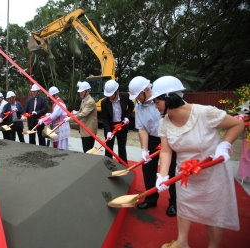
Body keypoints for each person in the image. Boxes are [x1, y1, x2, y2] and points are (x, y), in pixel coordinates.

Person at [149, 76, 244, 248]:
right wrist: (162, 176)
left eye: (156, 101)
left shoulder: (204, 112)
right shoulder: (164, 123)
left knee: (213, 212)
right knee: (184, 207)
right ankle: (182, 242)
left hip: (212, 172)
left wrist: (224, 145)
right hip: (185, 175)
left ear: (169, 98)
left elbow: (237, 125)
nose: (155, 106)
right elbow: (165, 150)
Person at [128, 76, 177, 217]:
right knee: (147, 168)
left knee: (172, 170)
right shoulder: (139, 105)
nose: (137, 99)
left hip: (171, 138)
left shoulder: (164, 98)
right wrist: (144, 149)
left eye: (138, 96)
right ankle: (151, 198)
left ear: (147, 90)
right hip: (152, 139)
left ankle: (174, 202)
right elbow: (142, 128)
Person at [101, 79, 134, 163]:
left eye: (111, 94)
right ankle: (108, 166)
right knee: (108, 148)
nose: (109, 97)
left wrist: (127, 117)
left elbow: (131, 106)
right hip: (110, 126)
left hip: (122, 125)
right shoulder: (104, 102)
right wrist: (108, 131)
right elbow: (105, 118)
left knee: (122, 147)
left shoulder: (125, 96)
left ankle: (123, 165)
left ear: (117, 91)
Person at [69, 81, 98, 152]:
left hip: (89, 130)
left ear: (87, 91)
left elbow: (83, 114)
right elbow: (81, 111)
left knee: (88, 151)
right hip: (84, 129)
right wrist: (76, 112)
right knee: (86, 150)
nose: (80, 93)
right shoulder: (84, 100)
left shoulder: (90, 101)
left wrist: (71, 118)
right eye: (80, 92)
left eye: (82, 92)